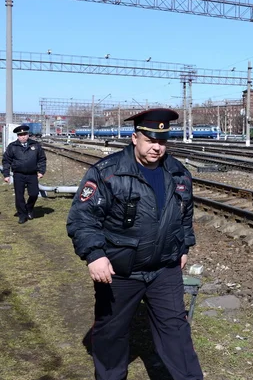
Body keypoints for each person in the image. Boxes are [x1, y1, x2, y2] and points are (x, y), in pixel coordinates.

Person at [66, 108, 204, 380]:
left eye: (162, 141)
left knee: (176, 330)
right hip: (119, 270)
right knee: (111, 331)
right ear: (134, 138)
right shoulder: (107, 172)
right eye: (151, 140)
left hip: (164, 269)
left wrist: (183, 247)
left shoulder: (178, 173)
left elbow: (185, 215)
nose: (157, 148)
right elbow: (82, 218)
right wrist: (95, 255)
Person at [2, 124, 46, 224]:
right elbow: (6, 161)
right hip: (18, 174)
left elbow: (42, 159)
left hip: (32, 174)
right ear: (18, 136)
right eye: (21, 134)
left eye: (25, 134)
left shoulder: (35, 145)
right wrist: (6, 175)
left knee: (34, 194)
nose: (23, 136)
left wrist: (41, 171)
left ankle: (29, 208)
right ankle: (22, 215)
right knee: (19, 196)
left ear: (28, 135)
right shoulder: (12, 146)